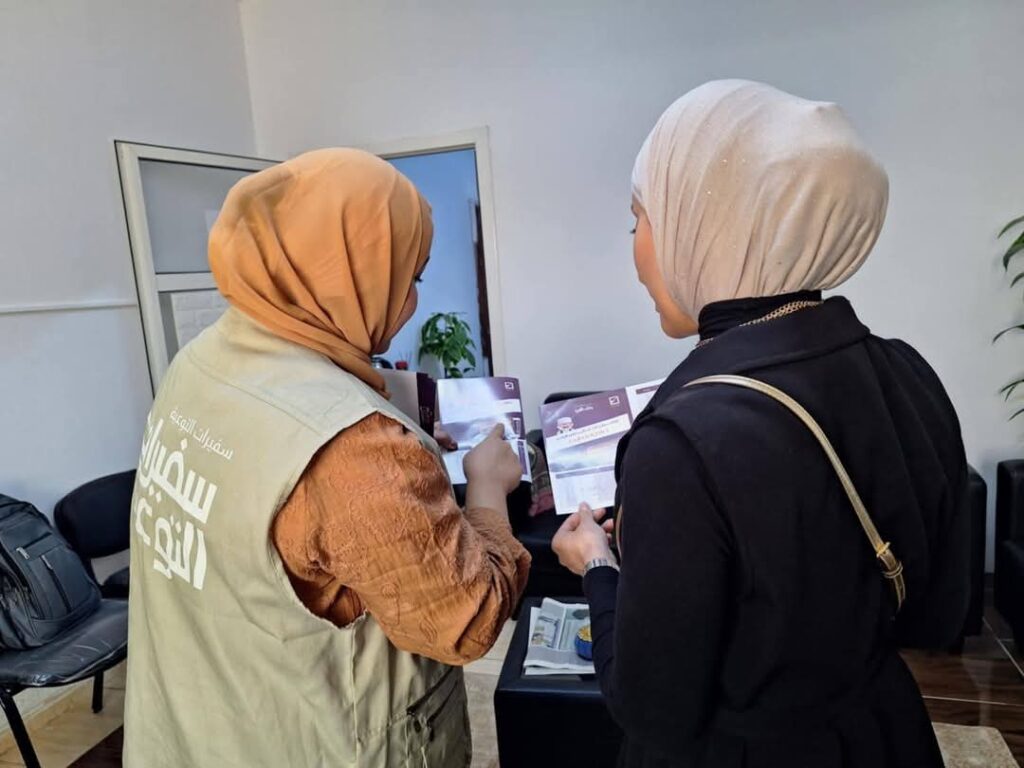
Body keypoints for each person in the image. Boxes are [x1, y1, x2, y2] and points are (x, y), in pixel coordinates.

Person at [552, 80, 970, 768]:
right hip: (884, 731)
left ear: (704, 226)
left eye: (639, 221)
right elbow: (941, 612)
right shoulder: (906, 370)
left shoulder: (680, 442)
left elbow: (654, 710)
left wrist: (597, 564)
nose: (636, 254)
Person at [125, 148, 530, 767]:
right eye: (411, 277)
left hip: (203, 728)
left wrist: (404, 443)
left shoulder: (201, 362)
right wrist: (487, 486)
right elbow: (466, 621)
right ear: (350, 271)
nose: (412, 303)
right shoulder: (356, 449)